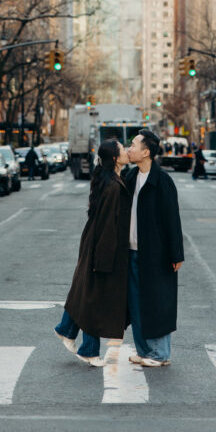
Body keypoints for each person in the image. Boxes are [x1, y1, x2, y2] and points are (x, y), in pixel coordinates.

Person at [55, 138, 131, 367]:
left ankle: (66, 329)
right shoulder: (113, 186)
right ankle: (88, 349)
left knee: (85, 290)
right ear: (116, 158)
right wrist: (104, 260)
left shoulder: (111, 180)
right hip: (102, 247)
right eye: (122, 149)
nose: (127, 150)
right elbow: (109, 224)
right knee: (94, 295)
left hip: (94, 242)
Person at [125, 128, 184, 367]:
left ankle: (160, 354)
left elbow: (172, 219)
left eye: (133, 145)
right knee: (136, 303)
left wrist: (176, 253)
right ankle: (143, 351)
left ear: (146, 152)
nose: (129, 149)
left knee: (158, 302)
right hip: (131, 251)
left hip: (156, 253)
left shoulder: (162, 181)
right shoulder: (130, 177)